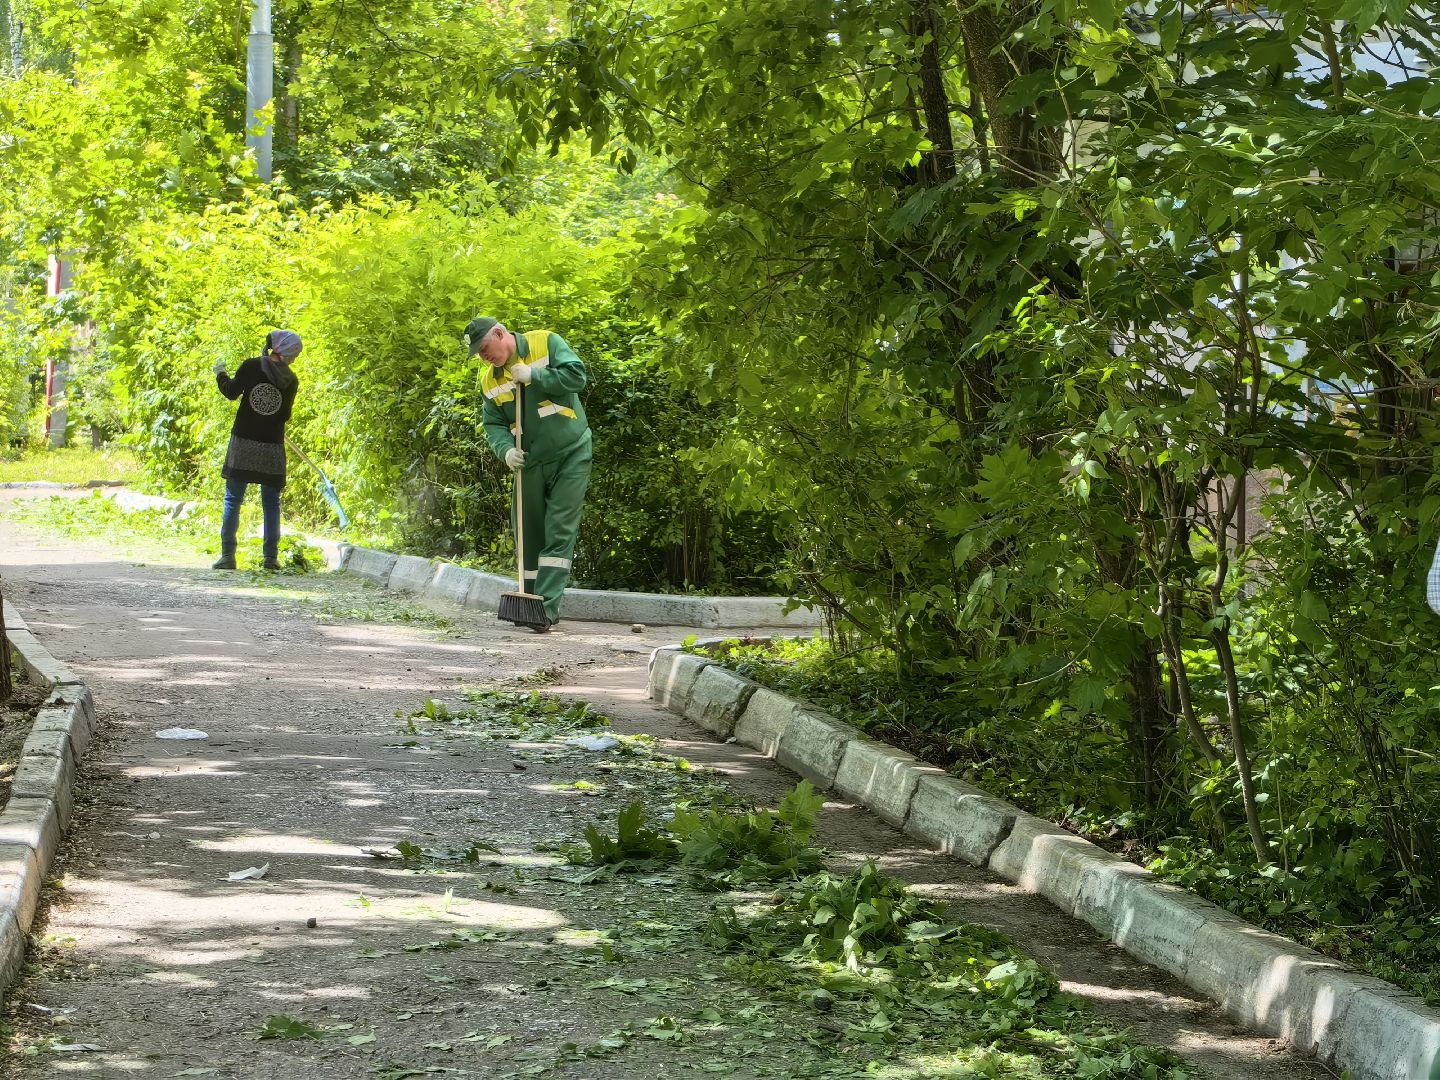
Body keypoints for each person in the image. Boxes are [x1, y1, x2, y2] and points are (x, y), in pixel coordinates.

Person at [465, 315, 592, 631]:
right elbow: (493, 424)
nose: (484, 357)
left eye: (484, 348)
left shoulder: (545, 341)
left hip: (570, 452)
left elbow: (577, 377)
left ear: (499, 333)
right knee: (526, 532)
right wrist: (505, 449)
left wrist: (536, 375)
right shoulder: (489, 382)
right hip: (530, 462)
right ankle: (529, 602)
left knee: (559, 528)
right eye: (479, 354)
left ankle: (546, 610)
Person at [211, 329, 302, 571]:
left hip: (243, 443)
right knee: (271, 503)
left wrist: (220, 373)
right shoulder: (291, 380)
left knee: (233, 500)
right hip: (272, 446)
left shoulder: (251, 366)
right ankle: (270, 559)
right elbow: (285, 415)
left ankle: (228, 556)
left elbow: (231, 392)